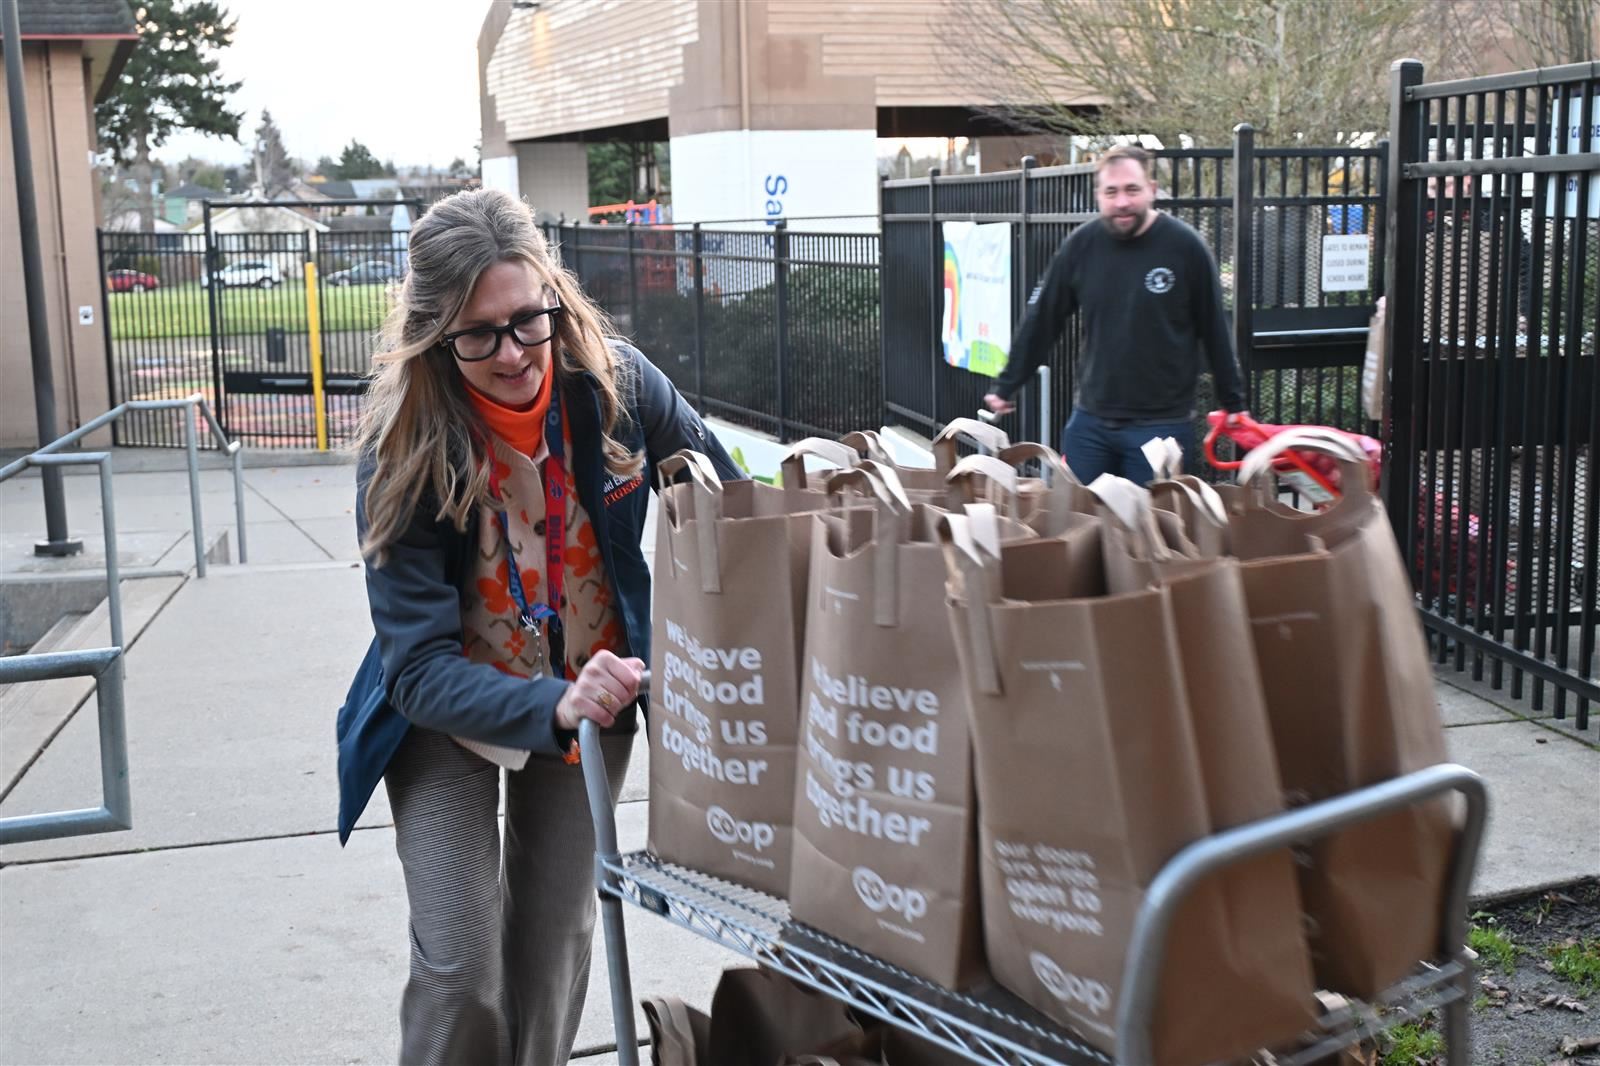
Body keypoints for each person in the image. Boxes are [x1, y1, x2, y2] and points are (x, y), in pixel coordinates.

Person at [336, 188, 742, 1066]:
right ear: (434, 335)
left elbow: (735, 513)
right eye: (479, 335)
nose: (516, 353)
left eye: (529, 320)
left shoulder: (620, 387)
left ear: (553, 292)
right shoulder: (403, 447)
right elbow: (415, 669)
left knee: (553, 951)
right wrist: (550, 705)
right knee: (460, 970)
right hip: (449, 710)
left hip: (590, 695)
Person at [984, 145, 1247, 483]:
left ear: (1151, 190)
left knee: (1152, 529)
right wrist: (1008, 384)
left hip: (1160, 426)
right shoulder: (1081, 246)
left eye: (1132, 190)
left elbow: (1214, 329)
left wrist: (1232, 401)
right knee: (1077, 523)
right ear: (1099, 195)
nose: (1122, 201)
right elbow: (1043, 319)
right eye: (1112, 192)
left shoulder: (1185, 247)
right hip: (1091, 423)